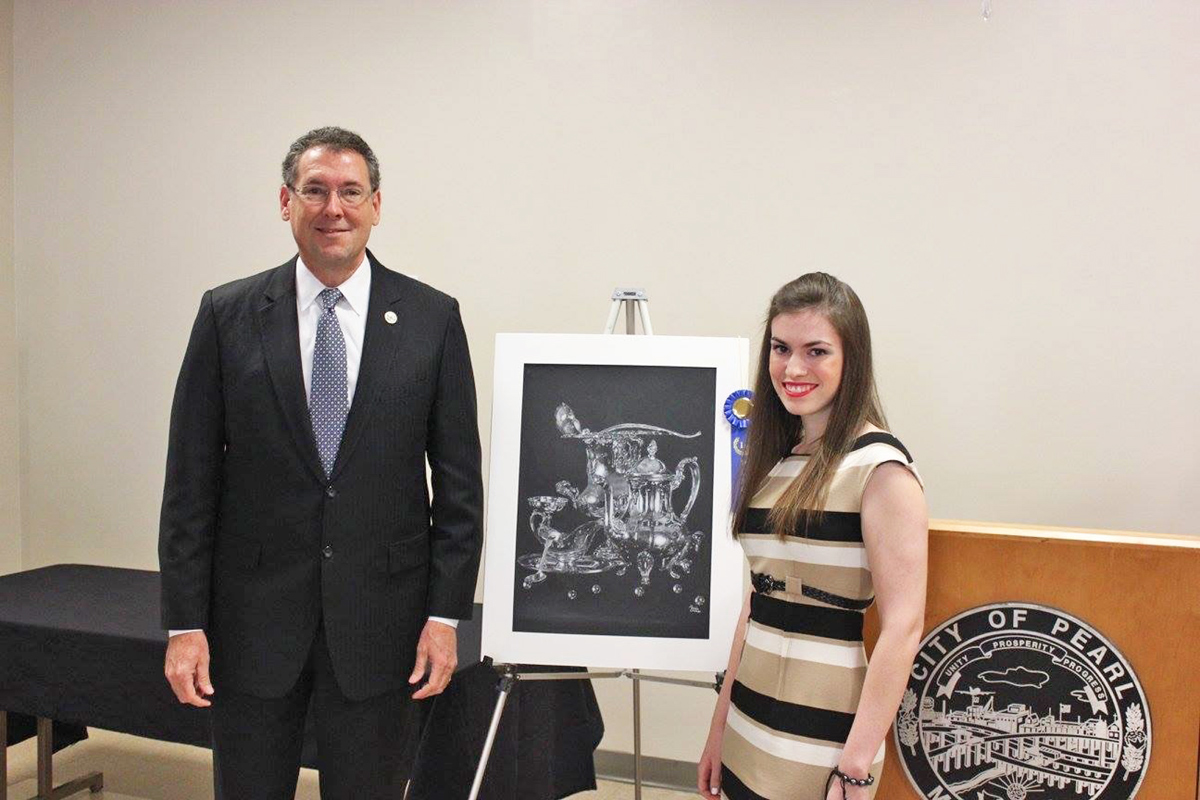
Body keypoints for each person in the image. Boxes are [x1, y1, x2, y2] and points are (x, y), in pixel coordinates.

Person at [158, 126, 484, 799]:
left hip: (382, 628)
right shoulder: (228, 315)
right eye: (315, 190)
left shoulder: (431, 319)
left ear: (376, 204)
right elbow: (190, 483)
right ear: (286, 201)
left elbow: (458, 488)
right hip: (252, 626)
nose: (333, 208)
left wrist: (446, 617)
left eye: (350, 191)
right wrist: (185, 624)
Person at [697, 273, 927, 799]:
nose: (793, 368)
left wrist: (856, 764)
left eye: (816, 350)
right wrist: (718, 727)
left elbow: (903, 627)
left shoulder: (882, 469)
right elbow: (756, 604)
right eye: (781, 348)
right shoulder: (775, 460)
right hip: (749, 718)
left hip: (824, 734)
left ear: (852, 359)